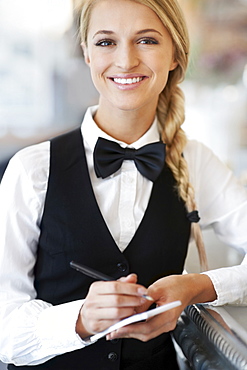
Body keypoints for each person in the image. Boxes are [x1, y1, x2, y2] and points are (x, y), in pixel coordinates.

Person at [0, 0, 247, 369]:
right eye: (105, 42)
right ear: (86, 53)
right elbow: (4, 331)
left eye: (146, 40)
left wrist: (197, 286)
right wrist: (80, 320)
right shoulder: (32, 169)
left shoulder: (194, 162)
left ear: (176, 54)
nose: (126, 60)